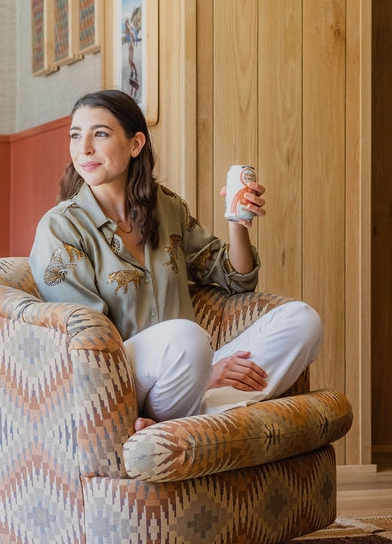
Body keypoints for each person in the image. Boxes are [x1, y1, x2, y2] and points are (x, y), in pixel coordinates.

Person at [29, 90, 323, 432]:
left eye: (101, 134)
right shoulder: (61, 227)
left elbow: (237, 279)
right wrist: (205, 371)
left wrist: (237, 223)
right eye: (76, 135)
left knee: (302, 320)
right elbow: (89, 342)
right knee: (186, 338)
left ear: (136, 144)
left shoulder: (166, 207)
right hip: (121, 375)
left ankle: (175, 424)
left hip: (189, 365)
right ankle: (193, 416)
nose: (85, 148)